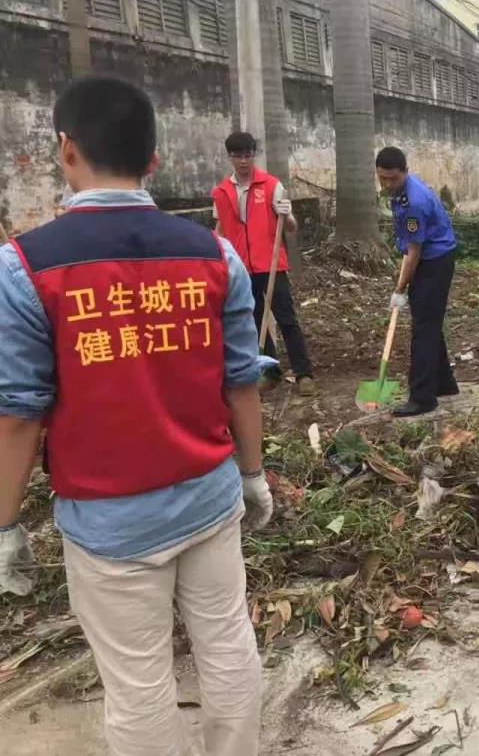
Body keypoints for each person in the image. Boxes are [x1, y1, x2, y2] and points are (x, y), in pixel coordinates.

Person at [0, 76, 270, 754]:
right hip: (209, 496)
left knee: (138, 682)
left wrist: (4, 525)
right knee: (227, 643)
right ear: (153, 159)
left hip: (109, 522)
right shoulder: (215, 255)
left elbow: (18, 416)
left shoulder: (24, 268)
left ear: (66, 149)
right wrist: (253, 475)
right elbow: (242, 382)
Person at [212, 131, 315, 396]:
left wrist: (286, 215)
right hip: (241, 268)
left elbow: (291, 227)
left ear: (254, 155)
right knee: (253, 320)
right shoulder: (221, 192)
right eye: (238, 156)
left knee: (286, 318)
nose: (243, 161)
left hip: (271, 264)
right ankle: (270, 372)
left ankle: (303, 373)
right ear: (230, 157)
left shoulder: (271, 186)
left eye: (248, 155)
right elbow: (221, 229)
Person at [375, 147, 459, 417]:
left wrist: (400, 288)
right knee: (428, 322)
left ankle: (423, 397)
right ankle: (444, 382)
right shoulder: (401, 192)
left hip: (434, 262)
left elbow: (414, 253)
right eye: (382, 178)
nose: (387, 184)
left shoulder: (414, 202)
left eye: (393, 178)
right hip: (427, 257)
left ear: (405, 173)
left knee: (423, 330)